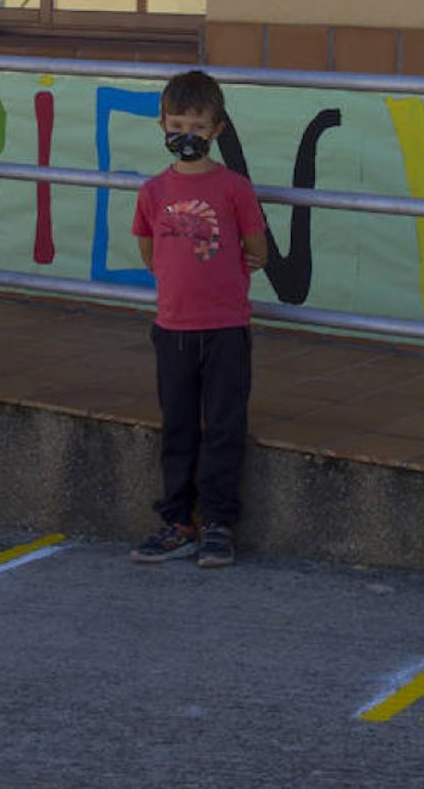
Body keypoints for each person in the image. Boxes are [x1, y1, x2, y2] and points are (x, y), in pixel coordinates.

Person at [128, 70, 268, 569]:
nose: (187, 133)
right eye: (177, 123)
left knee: (225, 425)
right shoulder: (152, 191)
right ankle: (177, 522)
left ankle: (217, 524)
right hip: (173, 330)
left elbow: (257, 248)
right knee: (179, 425)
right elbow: (149, 248)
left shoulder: (234, 188)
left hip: (226, 328)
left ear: (217, 130)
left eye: (198, 125)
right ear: (162, 124)